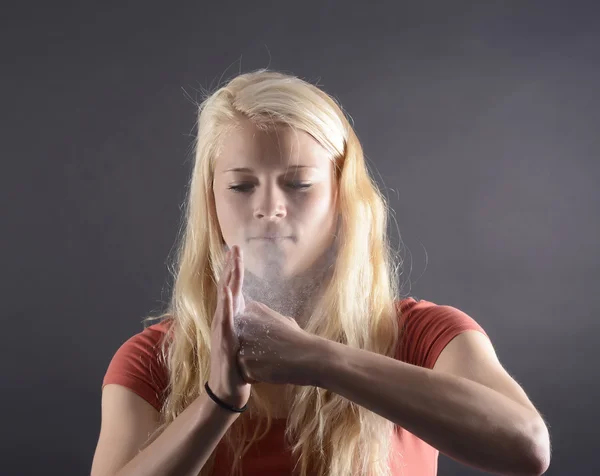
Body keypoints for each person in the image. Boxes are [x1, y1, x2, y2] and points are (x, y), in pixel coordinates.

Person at [91, 69, 551, 476]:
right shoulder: (152, 360)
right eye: (240, 186)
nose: (269, 208)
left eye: (298, 184)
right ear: (211, 203)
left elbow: (527, 448)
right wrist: (216, 403)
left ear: (341, 198)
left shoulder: (423, 335)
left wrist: (318, 359)